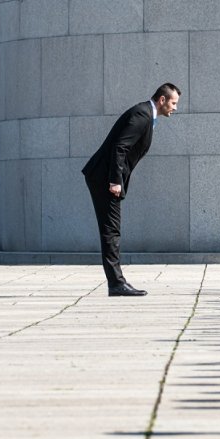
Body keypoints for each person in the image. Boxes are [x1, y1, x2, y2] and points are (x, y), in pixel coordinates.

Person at [82, 83, 181, 296]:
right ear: (162, 100)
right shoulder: (142, 114)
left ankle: (116, 282)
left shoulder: (146, 114)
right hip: (104, 178)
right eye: (173, 103)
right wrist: (114, 181)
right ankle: (116, 283)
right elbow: (120, 146)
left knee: (111, 230)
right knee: (111, 231)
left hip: (104, 176)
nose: (175, 108)